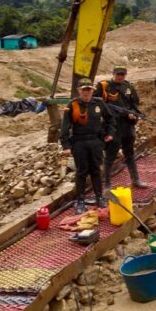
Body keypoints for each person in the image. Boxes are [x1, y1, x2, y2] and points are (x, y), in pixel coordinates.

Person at [60, 78, 115, 213]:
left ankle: (99, 197)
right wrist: (66, 146)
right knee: (82, 172)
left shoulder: (99, 103)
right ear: (79, 90)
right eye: (84, 89)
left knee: (96, 170)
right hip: (79, 143)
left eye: (89, 89)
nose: (86, 92)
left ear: (92, 90)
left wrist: (110, 133)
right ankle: (80, 201)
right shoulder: (72, 105)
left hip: (96, 142)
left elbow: (110, 118)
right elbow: (65, 127)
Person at [95, 66, 148, 189]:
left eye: (123, 74)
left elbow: (134, 104)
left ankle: (135, 180)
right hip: (112, 127)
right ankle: (107, 183)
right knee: (110, 156)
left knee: (129, 154)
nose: (120, 76)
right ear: (113, 74)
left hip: (127, 126)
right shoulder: (104, 86)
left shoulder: (128, 87)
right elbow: (96, 105)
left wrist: (133, 114)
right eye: (118, 74)